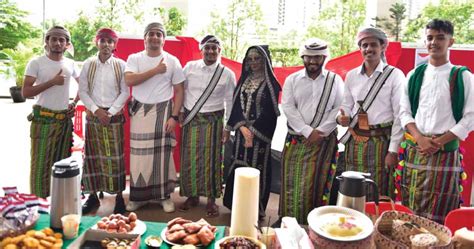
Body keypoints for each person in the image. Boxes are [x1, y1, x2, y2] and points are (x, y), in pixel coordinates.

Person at [399, 19, 473, 224]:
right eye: (430, 38)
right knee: (411, 206)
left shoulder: (462, 76)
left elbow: (470, 117)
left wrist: (438, 142)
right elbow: (404, 112)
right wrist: (420, 138)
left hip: (445, 152)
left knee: (441, 207)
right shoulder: (414, 75)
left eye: (441, 38)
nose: (434, 42)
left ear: (451, 41)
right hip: (416, 151)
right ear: (425, 41)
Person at [279, 39, 344, 224]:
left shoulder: (335, 80)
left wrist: (320, 131)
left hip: (324, 142)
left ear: (325, 58)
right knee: (291, 181)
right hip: (297, 139)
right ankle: (287, 220)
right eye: (309, 57)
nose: (313, 61)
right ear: (303, 57)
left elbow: (338, 107)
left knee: (318, 183)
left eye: (317, 57)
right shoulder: (292, 79)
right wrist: (308, 131)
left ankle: (314, 224)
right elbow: (288, 107)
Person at [337, 27, 405, 200]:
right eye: (364, 45)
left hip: (381, 142)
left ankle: (376, 225)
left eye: (373, 44)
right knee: (353, 186)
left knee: (378, 187)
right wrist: (340, 118)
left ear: (383, 46)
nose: (368, 49)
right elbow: (345, 105)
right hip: (355, 141)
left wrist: (393, 151)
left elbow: (400, 115)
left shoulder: (394, 75)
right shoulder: (352, 75)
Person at [124, 22, 185, 212]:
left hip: (164, 112)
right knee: (139, 157)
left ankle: (164, 197)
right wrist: (155, 71)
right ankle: (137, 197)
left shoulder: (172, 60)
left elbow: (179, 90)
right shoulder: (134, 58)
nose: (154, 37)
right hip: (140, 112)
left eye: (159, 34)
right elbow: (129, 80)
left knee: (163, 156)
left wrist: (174, 117)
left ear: (163, 39)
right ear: (145, 38)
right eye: (151, 34)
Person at [178, 35, 236, 217]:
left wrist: (228, 127)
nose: (210, 51)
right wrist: (179, 111)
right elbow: (181, 90)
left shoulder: (227, 74)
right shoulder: (189, 67)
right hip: (191, 120)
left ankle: (211, 200)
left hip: (214, 122)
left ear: (220, 51)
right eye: (207, 48)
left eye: (214, 48)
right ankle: (192, 196)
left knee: (212, 161)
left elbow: (230, 101)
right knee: (190, 158)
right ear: (201, 49)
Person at [223, 45, 281, 220]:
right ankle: (236, 205)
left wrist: (253, 132)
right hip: (241, 134)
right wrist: (241, 127)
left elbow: (271, 113)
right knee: (238, 165)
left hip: (260, 137)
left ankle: (255, 208)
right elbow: (235, 106)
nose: (254, 62)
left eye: (258, 58)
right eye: (251, 59)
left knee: (257, 168)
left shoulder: (271, 84)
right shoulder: (244, 80)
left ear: (265, 60)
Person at [22, 26, 80, 198]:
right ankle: (39, 203)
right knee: (40, 165)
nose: (57, 42)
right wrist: (52, 82)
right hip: (43, 121)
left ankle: (58, 201)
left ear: (67, 44)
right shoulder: (36, 63)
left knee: (62, 163)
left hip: (63, 121)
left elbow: (83, 85)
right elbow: (26, 92)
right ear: (46, 42)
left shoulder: (70, 64)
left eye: (62, 40)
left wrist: (74, 102)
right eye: (53, 39)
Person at [79, 28, 129, 214]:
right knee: (92, 157)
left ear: (115, 45)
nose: (106, 44)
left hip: (113, 118)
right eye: (103, 40)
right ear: (96, 42)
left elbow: (125, 91)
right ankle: (92, 197)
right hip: (94, 116)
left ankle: (118, 198)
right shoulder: (88, 64)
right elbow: (83, 91)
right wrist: (96, 110)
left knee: (115, 158)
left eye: (110, 41)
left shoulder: (121, 65)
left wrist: (111, 112)